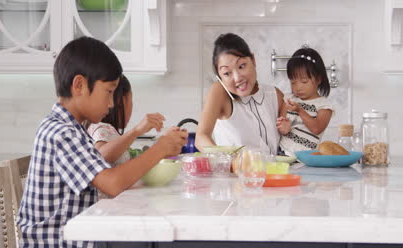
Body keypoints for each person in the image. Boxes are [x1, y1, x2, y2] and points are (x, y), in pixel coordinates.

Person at [17, 36, 187, 248]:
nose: (110, 103)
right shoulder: (60, 133)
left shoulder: (73, 129)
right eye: (108, 91)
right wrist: (161, 148)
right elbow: (112, 183)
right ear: (79, 85)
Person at [195, 33, 286, 155]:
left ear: (253, 60)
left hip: (274, 173)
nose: (237, 78)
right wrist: (225, 161)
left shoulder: (274, 95)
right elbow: (201, 137)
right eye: (227, 73)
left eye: (242, 66)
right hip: (235, 173)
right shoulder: (220, 91)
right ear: (220, 77)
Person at [86, 74, 166, 198]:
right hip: (107, 207)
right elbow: (101, 156)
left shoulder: (110, 131)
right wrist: (136, 131)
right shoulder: (102, 127)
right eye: (131, 101)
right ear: (121, 101)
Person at [276, 47, 334, 156]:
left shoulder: (324, 106)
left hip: (308, 158)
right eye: (293, 82)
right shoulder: (288, 99)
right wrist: (284, 128)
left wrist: (300, 110)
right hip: (282, 153)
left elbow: (316, 129)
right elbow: (282, 128)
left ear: (318, 79)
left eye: (304, 81)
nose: (298, 87)